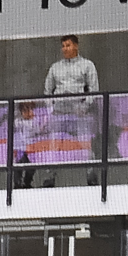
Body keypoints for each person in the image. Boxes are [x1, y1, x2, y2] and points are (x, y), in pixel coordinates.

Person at [40, 33, 99, 187]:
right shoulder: (55, 67)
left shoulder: (87, 65)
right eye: (63, 46)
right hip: (59, 111)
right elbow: (47, 91)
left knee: (85, 144)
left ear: (76, 46)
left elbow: (94, 90)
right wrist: (50, 109)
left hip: (78, 111)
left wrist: (84, 107)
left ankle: (91, 177)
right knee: (54, 145)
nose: (65, 49)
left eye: (68, 45)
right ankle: (49, 178)